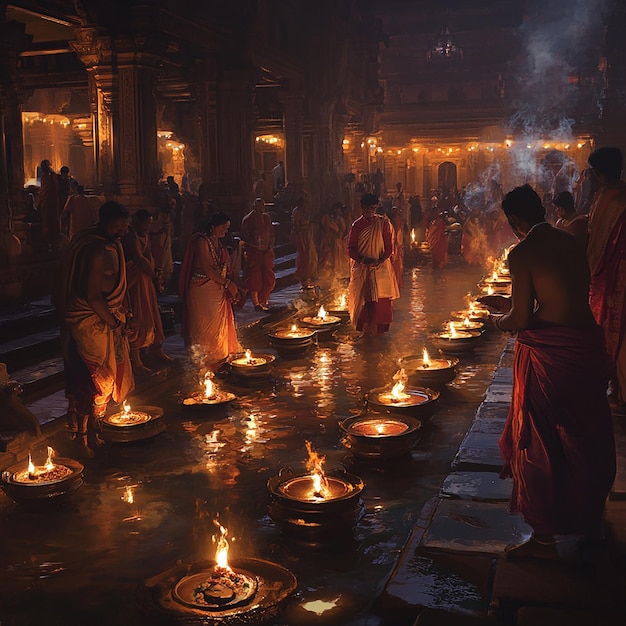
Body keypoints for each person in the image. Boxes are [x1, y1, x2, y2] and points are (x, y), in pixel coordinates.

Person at [479, 184, 616, 560]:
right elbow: (562, 296)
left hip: (551, 354)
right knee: (588, 437)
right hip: (586, 345)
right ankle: (591, 526)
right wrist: (507, 301)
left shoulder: (521, 252)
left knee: (539, 440)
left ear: (514, 220)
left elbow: (522, 319)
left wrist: (497, 320)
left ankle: (542, 541)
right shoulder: (571, 239)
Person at [57, 201, 134, 456]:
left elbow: (115, 289)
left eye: (124, 227)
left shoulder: (113, 245)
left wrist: (123, 316)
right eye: (118, 227)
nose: (122, 232)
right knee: (93, 378)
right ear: (104, 222)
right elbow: (92, 295)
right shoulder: (96, 250)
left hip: (106, 315)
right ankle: (81, 438)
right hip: (89, 321)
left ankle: (94, 430)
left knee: (106, 376)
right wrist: (113, 323)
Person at [586, 147, 626, 407]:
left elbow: (596, 245)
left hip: (612, 274)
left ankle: (618, 386)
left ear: (599, 174)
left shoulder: (609, 198)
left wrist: (584, 273)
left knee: (611, 330)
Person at [179, 212, 242, 370]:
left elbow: (223, 267)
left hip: (217, 289)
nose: (225, 231)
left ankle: (218, 359)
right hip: (202, 290)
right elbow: (208, 269)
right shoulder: (202, 241)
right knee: (205, 327)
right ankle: (205, 362)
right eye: (223, 227)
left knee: (218, 327)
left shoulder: (218, 242)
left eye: (227, 228)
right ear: (213, 226)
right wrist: (229, 284)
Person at [122, 209, 173, 374]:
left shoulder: (145, 235)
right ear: (136, 221)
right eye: (146, 223)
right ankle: (136, 360)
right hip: (136, 283)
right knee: (139, 315)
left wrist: (157, 271)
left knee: (152, 314)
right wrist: (154, 276)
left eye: (150, 223)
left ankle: (156, 350)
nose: (148, 226)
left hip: (146, 281)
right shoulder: (130, 236)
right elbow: (139, 258)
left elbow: (148, 255)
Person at [347, 193, 400, 335]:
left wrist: (380, 260)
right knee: (364, 301)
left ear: (376, 208)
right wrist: (362, 260)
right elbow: (350, 248)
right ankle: (366, 331)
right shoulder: (357, 225)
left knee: (380, 302)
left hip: (380, 268)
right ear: (362, 209)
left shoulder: (383, 224)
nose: (369, 211)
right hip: (362, 267)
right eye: (366, 208)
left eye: (372, 208)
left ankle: (378, 331)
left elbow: (389, 246)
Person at [240, 197, 276, 311]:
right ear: (254, 206)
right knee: (255, 277)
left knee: (268, 275)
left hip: (266, 252)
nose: (261, 208)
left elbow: (271, 233)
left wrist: (269, 246)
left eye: (262, 205)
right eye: (259, 205)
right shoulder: (248, 219)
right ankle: (256, 303)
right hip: (254, 252)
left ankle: (264, 300)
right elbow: (245, 236)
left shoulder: (266, 218)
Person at [290, 197, 319, 287]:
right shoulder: (296, 211)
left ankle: (310, 275)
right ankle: (304, 276)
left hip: (308, 234)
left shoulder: (306, 210)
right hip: (301, 235)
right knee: (304, 256)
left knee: (311, 255)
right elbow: (296, 225)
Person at [318, 201, 349, 281]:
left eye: (339, 209)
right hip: (332, 240)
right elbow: (330, 229)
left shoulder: (340, 219)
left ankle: (339, 273)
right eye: (337, 209)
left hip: (339, 241)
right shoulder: (329, 219)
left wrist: (341, 233)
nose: (338, 211)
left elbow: (343, 228)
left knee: (339, 257)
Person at [149, 205, 174, 292]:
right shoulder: (156, 224)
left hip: (166, 248)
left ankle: (162, 286)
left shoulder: (169, 224)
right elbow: (152, 234)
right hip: (157, 248)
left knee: (165, 266)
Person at [38, 159, 61, 247]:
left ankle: (48, 240)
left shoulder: (46, 176)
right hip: (53, 202)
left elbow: (44, 190)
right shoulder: (53, 175)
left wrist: (39, 200)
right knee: (52, 221)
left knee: (47, 221)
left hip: (48, 202)